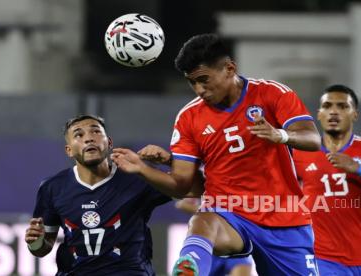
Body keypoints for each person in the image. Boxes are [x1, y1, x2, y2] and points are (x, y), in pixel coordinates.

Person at [111, 33, 322, 275]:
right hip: (230, 212)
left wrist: (281, 136)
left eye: (204, 80)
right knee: (202, 221)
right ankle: (188, 267)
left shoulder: (272, 93)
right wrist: (142, 169)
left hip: (284, 217)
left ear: (230, 68)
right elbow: (182, 185)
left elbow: (313, 139)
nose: (199, 90)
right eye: (192, 83)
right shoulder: (189, 118)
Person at [24, 115, 171, 275]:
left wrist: (169, 161)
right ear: (69, 150)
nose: (89, 139)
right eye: (79, 135)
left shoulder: (138, 177)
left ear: (109, 142)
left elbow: (193, 188)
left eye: (95, 132)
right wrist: (36, 243)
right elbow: (43, 248)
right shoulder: (53, 187)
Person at [293, 84, 361, 275]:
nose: (333, 112)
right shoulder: (301, 153)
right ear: (318, 114)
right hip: (321, 258)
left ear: (355, 114)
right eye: (327, 106)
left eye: (342, 106)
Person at [139, 144, 253, 276]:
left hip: (232, 232)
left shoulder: (238, 173)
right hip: (209, 236)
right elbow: (182, 203)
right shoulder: (200, 171)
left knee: (242, 266)